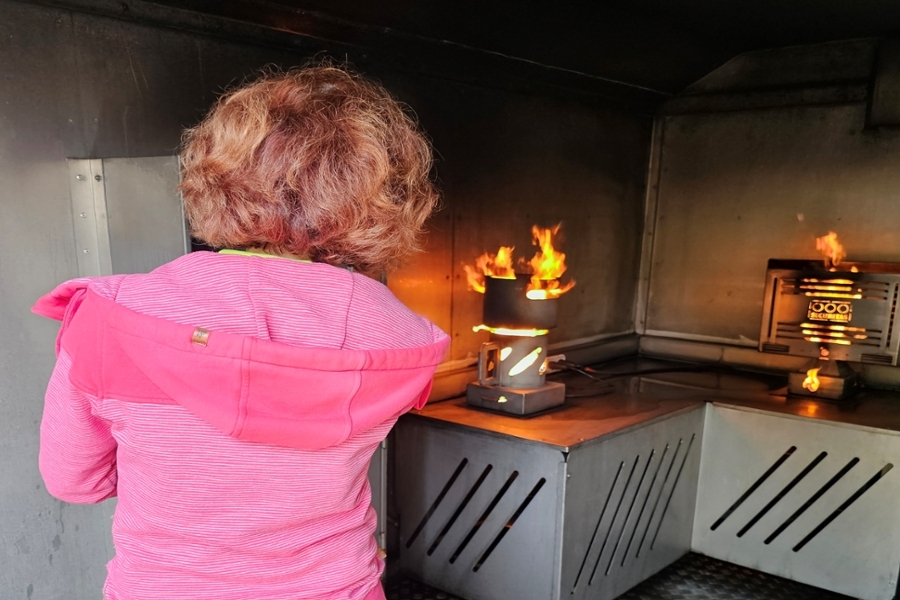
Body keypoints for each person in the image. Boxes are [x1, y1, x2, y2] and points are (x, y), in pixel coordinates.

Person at [32, 65, 449, 600]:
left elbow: (75, 481)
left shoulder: (111, 315)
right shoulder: (400, 334)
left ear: (214, 175)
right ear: (383, 200)